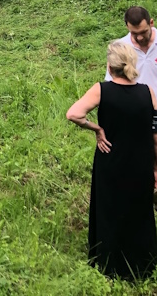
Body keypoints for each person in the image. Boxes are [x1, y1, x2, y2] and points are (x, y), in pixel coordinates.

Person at [67, 40, 157, 279]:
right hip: (141, 163)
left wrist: (97, 129)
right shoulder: (147, 92)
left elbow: (73, 114)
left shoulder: (101, 90)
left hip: (111, 160)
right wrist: (156, 166)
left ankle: (108, 264)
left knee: (109, 210)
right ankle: (143, 265)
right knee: (140, 211)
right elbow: (155, 134)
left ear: (109, 66)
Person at [105, 7, 157, 94]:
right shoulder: (120, 48)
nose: (140, 38)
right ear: (127, 27)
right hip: (134, 101)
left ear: (151, 23)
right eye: (134, 33)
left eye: (143, 32)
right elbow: (112, 82)